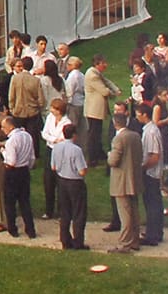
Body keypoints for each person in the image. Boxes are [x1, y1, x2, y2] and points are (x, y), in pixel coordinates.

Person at [104, 108, 142, 252]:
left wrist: (109, 155)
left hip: (122, 180)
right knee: (134, 211)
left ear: (115, 124)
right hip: (134, 177)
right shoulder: (136, 136)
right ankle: (135, 240)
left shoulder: (118, 139)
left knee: (125, 213)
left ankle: (124, 243)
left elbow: (113, 161)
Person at [51, 121, 89, 249]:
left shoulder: (56, 147)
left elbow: (53, 167)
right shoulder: (76, 150)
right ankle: (78, 242)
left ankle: (65, 241)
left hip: (62, 181)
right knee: (78, 213)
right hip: (75, 182)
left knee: (65, 213)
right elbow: (82, 171)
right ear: (74, 135)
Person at [0, 114, 37, 239]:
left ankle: (12, 229)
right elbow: (32, 156)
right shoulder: (27, 136)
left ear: (10, 127)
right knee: (25, 202)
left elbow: (11, 162)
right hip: (24, 171)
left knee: (10, 203)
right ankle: (30, 230)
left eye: (4, 127)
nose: (3, 130)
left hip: (13, 173)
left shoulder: (11, 141)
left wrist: (3, 152)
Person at [83, 55, 122, 165]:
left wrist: (116, 89)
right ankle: (92, 158)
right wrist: (114, 94)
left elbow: (106, 81)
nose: (106, 65)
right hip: (93, 110)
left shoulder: (96, 73)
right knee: (93, 134)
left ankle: (99, 153)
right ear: (97, 64)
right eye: (103, 63)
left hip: (95, 110)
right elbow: (104, 91)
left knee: (97, 132)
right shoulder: (92, 75)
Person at [139, 102, 166, 247]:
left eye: (139, 114)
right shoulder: (149, 130)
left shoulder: (151, 132)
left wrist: (143, 168)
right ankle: (155, 232)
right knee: (153, 203)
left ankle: (153, 235)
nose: (137, 117)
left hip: (151, 173)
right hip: (152, 172)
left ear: (145, 115)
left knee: (152, 204)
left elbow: (154, 156)